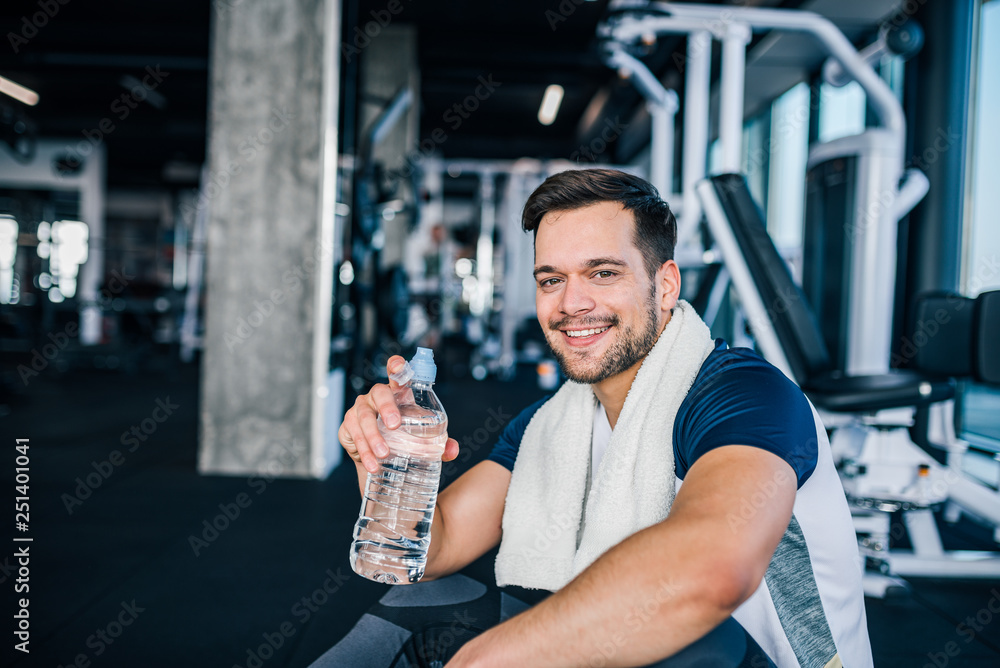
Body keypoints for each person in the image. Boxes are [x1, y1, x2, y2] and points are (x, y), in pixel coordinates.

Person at [326, 169, 872, 667]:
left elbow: (712, 571)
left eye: (603, 273)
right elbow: (432, 549)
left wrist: (490, 655)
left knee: (692, 642)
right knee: (420, 605)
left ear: (665, 285)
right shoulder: (549, 423)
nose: (571, 302)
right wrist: (382, 458)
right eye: (550, 280)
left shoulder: (742, 396)